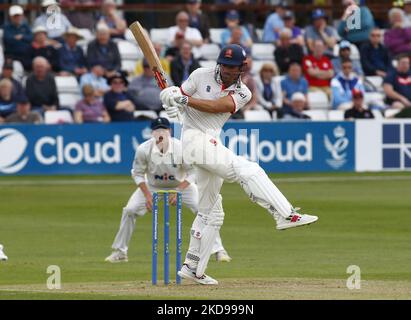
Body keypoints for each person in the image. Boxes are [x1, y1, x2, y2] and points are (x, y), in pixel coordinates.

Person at [160, 44, 318, 285]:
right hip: (193, 140)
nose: (226, 69)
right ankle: (284, 214)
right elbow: (178, 101)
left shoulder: (244, 93)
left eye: (232, 67)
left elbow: (217, 106)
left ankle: (192, 267)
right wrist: (170, 100)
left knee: (211, 212)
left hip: (210, 140)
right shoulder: (199, 75)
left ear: (241, 69)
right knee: (249, 169)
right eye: (224, 64)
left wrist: (183, 99)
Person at [105, 117, 231, 263]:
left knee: (203, 210)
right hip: (152, 187)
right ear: (152, 133)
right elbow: (137, 173)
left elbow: (193, 173)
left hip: (182, 186)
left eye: (163, 130)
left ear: (169, 132)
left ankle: (218, 250)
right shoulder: (143, 149)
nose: (160, 134)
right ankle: (120, 252)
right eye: (157, 130)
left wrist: (178, 190)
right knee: (129, 210)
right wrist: (147, 195)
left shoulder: (181, 148)